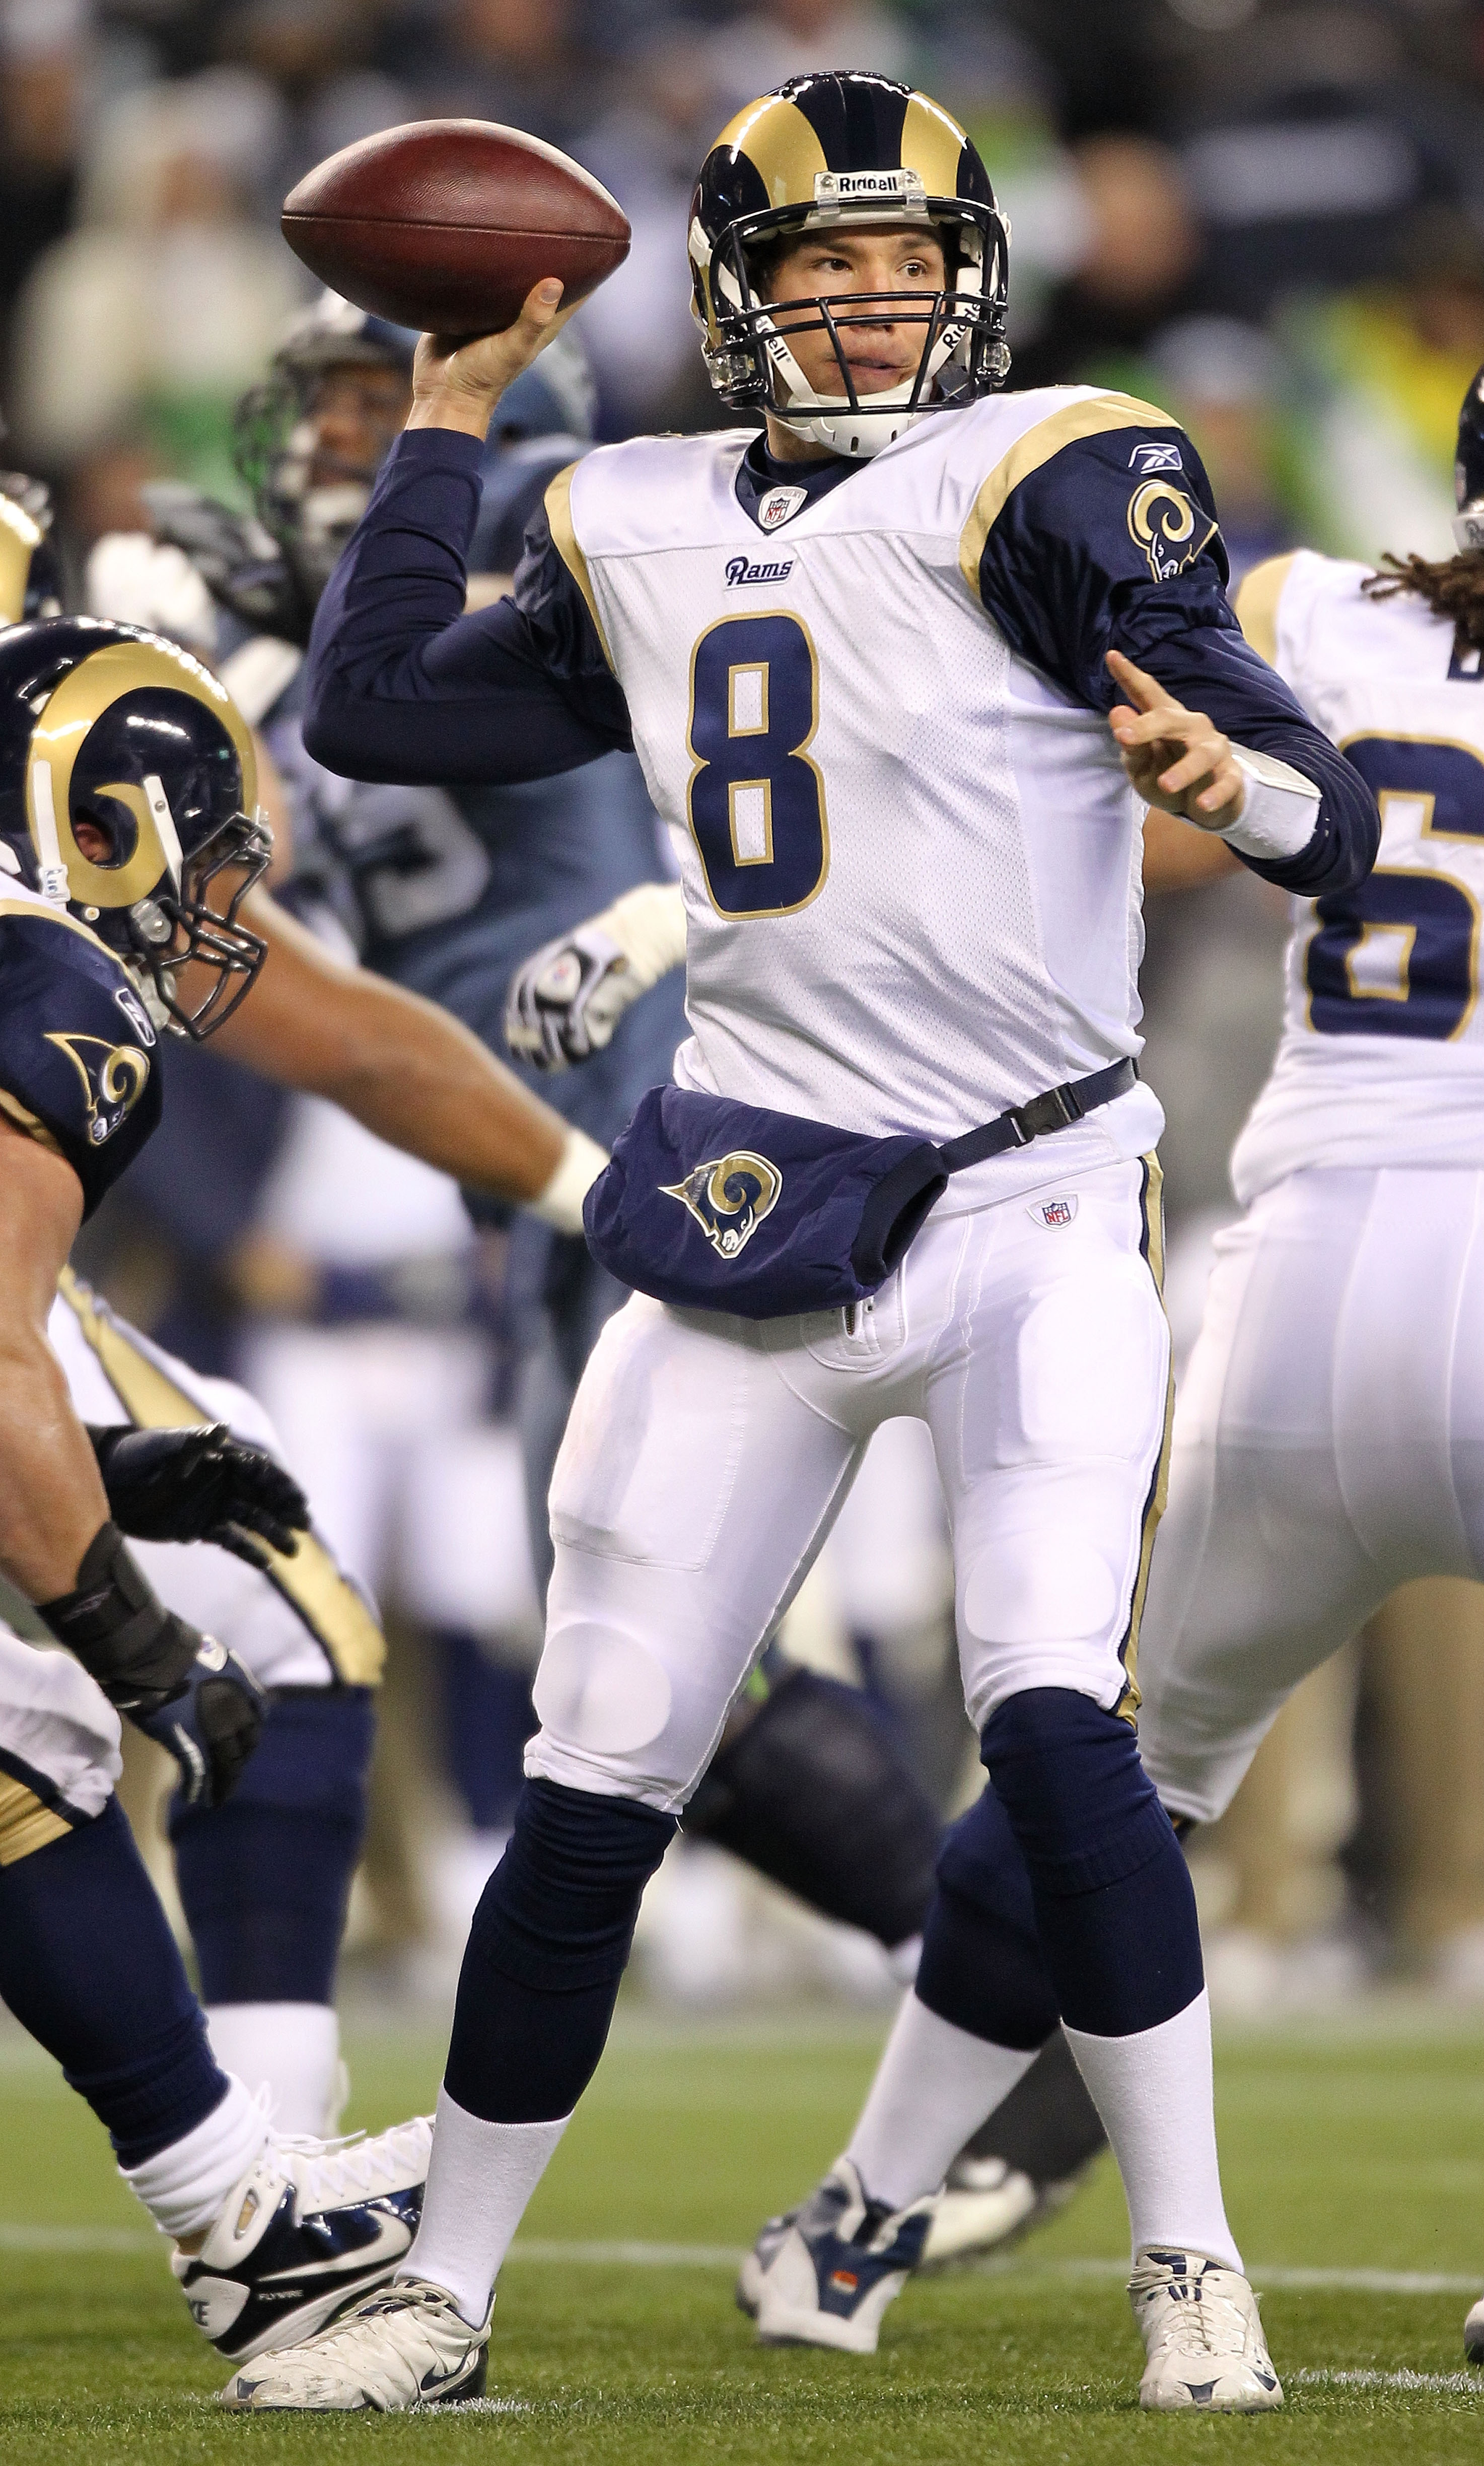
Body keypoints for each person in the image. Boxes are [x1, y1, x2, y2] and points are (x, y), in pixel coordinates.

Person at [221, 72, 1377, 2414]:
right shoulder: (628, 507)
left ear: (974, 287)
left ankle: (1193, 2268)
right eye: (818, 273)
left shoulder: (1056, 466)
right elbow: (370, 705)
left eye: (903, 268)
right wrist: (447, 410)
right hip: (757, 1199)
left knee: (1051, 1705)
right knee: (601, 1759)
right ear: (740, 300)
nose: (867, 310)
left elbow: (1317, 809)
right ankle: (439, 2293)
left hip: (1036, 1185)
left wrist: (1223, 783)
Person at [112, 292, 1113, 2250]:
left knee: (666, 1661)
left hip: (635, 1139)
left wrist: (202, 675)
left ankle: (1021, 2018)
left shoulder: (572, 534)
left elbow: (361, 737)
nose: (336, 447)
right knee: (652, 1663)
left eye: (366, 408)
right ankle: (1008, 2009)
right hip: (540, 1153)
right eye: (326, 406)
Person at [757, 300, 1484, 2371]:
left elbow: (1108, 827)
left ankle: (869, 2212)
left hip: (1294, 1290)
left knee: (1115, 1783)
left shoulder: (1312, 603)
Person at [0, 604, 603, 2359]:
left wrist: (100, 1463)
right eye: (193, 867)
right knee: (35, 1728)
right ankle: (240, 2205)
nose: (209, 920)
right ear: (88, 823)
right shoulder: (45, 972)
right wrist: (133, 1643)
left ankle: (238, 2195)